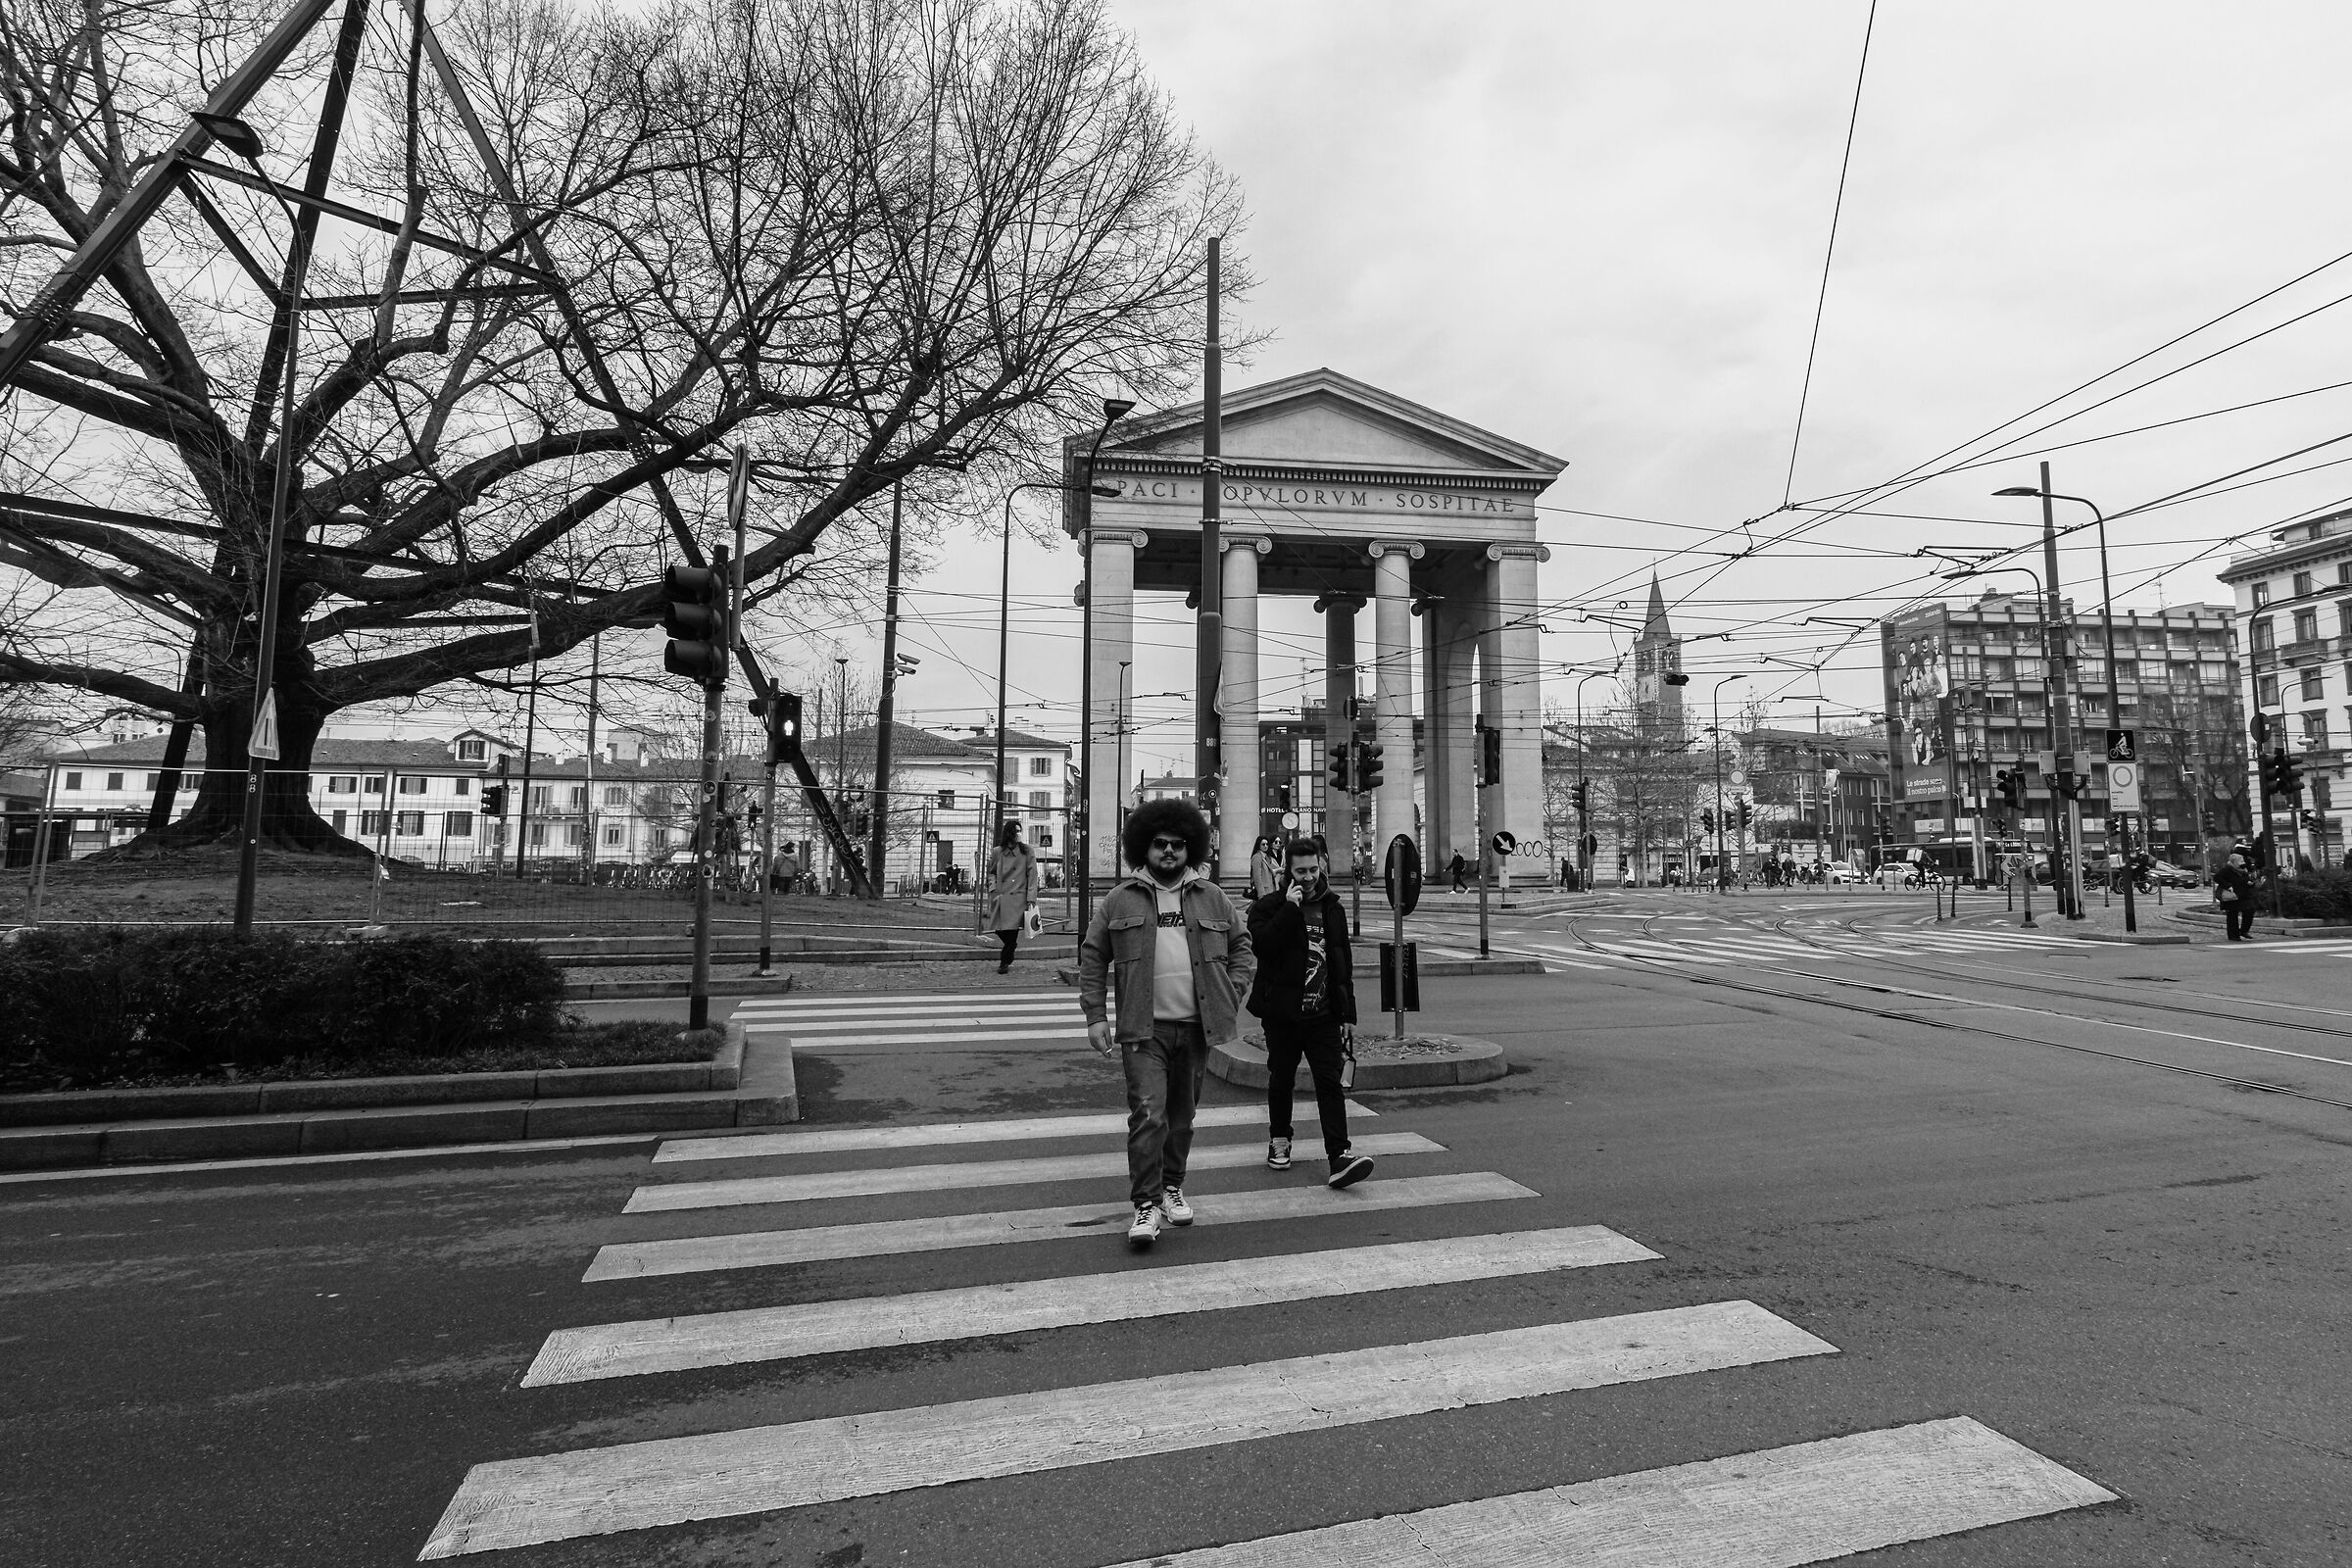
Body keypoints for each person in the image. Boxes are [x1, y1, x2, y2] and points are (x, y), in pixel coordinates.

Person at [1077, 798, 1255, 1249]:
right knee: (1148, 1116)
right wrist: (1095, 1016)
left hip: (1196, 1027)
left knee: (1182, 1118)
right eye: (1160, 844)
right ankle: (1145, 1203)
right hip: (1144, 1029)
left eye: (1178, 844)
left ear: (1190, 847)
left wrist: (1231, 992)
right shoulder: (1120, 898)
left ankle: (1172, 1185)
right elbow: (1094, 955)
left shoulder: (1211, 896)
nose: (1169, 852)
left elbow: (1243, 948)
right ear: (1144, 847)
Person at [1248, 836, 1374, 1189]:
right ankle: (1280, 1140)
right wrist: (1289, 908)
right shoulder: (1268, 907)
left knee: (1330, 1083)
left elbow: (1340, 963)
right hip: (1283, 1015)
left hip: (1323, 1015)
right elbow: (1263, 946)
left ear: (1322, 867)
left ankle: (1339, 1155)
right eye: (1300, 870)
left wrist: (1348, 1014)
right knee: (1282, 1078)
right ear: (1287, 871)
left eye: (1313, 869)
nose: (1307, 877)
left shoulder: (1332, 907)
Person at [987, 818, 1038, 973]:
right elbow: (991, 872)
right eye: (1016, 831)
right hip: (1001, 897)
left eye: (1020, 830)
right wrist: (993, 888)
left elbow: (1033, 875)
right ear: (1009, 834)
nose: (1019, 834)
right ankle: (1010, 950)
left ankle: (1004, 962)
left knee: (1012, 932)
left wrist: (1031, 898)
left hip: (1018, 897)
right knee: (998, 929)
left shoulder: (1027, 851)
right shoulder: (998, 852)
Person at [2215, 849, 2256, 942]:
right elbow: (2217, 877)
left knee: (2250, 910)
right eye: (2240, 861)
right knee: (2232, 915)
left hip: (2243, 894)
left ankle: (2244, 930)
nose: (2242, 862)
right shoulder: (2227, 869)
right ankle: (2233, 935)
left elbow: (2245, 880)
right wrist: (2228, 885)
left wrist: (2250, 883)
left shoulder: (2243, 869)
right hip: (2231, 896)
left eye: (2243, 860)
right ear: (2234, 861)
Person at [1249, 836, 1281, 900]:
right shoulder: (1257, 857)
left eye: (1267, 844)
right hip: (1264, 891)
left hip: (1271, 890)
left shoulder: (1267, 857)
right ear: (1259, 845)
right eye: (1263, 844)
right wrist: (1261, 893)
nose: (1265, 846)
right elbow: (1257, 877)